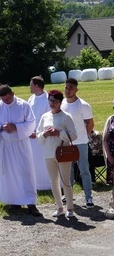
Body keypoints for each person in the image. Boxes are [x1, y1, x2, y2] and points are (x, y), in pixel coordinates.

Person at [0, 85, 41, 217]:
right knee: (9, 174)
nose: (7, 102)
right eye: (4, 100)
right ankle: (13, 201)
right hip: (5, 145)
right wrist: (1, 127)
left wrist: (16, 127)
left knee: (25, 172)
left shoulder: (23, 105)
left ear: (13, 93)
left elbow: (31, 122)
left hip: (20, 144)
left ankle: (31, 203)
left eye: (9, 99)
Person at [36, 90, 78, 218]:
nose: (52, 103)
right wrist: (45, 134)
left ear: (60, 102)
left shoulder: (66, 116)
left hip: (63, 153)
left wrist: (59, 133)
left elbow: (74, 135)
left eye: (55, 101)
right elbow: (38, 135)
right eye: (50, 100)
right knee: (53, 181)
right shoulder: (45, 116)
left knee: (65, 181)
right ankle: (59, 207)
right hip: (49, 153)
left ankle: (70, 207)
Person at [61, 78, 95, 208]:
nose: (68, 90)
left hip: (80, 141)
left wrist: (83, 135)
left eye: (70, 88)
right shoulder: (63, 103)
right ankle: (68, 195)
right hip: (66, 142)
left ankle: (89, 197)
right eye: (66, 87)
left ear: (76, 89)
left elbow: (90, 123)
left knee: (84, 170)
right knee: (67, 170)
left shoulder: (83, 105)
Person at [27, 76, 52, 190]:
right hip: (30, 135)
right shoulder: (31, 98)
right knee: (33, 160)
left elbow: (49, 117)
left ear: (36, 86)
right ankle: (35, 184)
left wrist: (38, 132)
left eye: (31, 84)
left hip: (42, 135)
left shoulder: (47, 99)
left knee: (43, 160)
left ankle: (46, 184)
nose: (30, 87)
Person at [103, 111, 114, 219]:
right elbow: (105, 140)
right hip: (113, 156)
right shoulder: (111, 120)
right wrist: (109, 156)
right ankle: (113, 206)